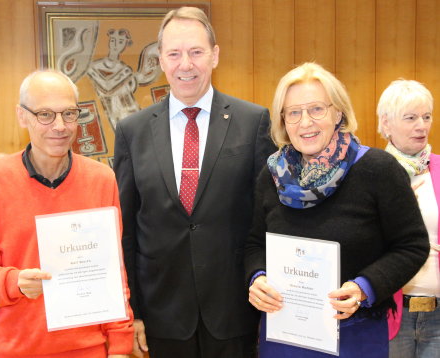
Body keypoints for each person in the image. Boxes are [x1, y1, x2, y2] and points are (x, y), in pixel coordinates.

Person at [113, 6, 275, 358]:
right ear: (161, 60)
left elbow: (267, 219)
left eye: (196, 52)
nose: (185, 64)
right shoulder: (132, 132)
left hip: (235, 312)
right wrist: (133, 312)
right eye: (174, 53)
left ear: (215, 56)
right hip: (161, 316)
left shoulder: (253, 122)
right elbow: (124, 231)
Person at [244, 62, 430, 358]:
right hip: (283, 333)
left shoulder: (377, 169)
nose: (305, 122)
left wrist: (364, 287)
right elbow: (255, 243)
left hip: (354, 336)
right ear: (283, 121)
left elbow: (412, 245)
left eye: (316, 109)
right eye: (294, 112)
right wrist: (257, 278)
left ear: (338, 113)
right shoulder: (272, 175)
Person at [0, 70, 133, 358]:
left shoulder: (101, 179)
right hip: (17, 349)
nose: (60, 126)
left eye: (69, 113)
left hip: (88, 349)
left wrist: (121, 344)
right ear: (22, 116)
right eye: (45, 114)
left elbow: (113, 270)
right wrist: (13, 282)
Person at [377, 79, 440, 358]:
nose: (422, 126)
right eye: (411, 117)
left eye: (426, 116)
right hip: (391, 314)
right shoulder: (372, 172)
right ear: (386, 123)